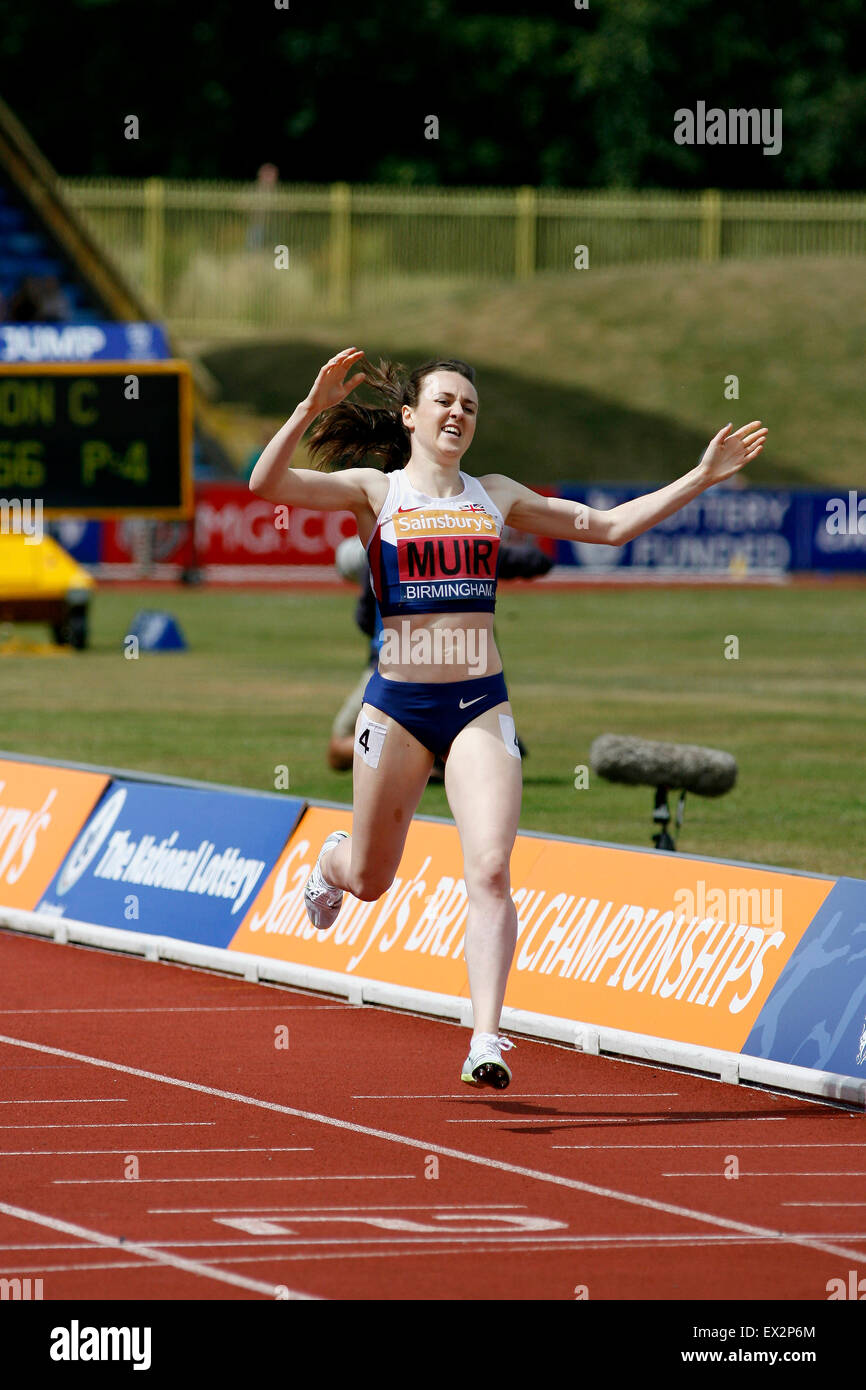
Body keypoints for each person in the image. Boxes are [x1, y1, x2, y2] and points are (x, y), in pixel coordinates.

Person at [248, 347, 767, 1090]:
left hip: (477, 706)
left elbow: (612, 528)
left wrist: (701, 476)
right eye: (444, 402)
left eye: (469, 406)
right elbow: (265, 482)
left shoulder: (495, 495)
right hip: (396, 707)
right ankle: (332, 861)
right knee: (370, 878)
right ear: (410, 416)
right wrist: (310, 405)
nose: (458, 413)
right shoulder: (374, 491)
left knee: (490, 868)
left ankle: (485, 1038)